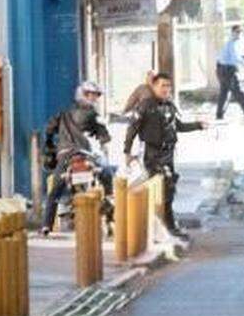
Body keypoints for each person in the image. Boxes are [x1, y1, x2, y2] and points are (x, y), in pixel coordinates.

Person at [124, 73, 206, 238]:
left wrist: (198, 125)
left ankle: (166, 226)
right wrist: (127, 152)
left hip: (168, 153)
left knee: (169, 189)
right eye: (162, 86)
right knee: (160, 189)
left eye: (168, 86)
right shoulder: (145, 105)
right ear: (154, 87)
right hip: (152, 153)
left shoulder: (169, 106)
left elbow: (178, 126)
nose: (166, 89)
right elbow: (132, 128)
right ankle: (162, 227)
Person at [41, 81, 113, 236]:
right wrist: (103, 141)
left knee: (54, 191)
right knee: (107, 173)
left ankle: (46, 224)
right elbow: (104, 135)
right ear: (83, 95)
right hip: (85, 154)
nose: (93, 99)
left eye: (95, 96)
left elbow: (48, 130)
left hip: (65, 156)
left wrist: (49, 146)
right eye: (91, 95)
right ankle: (111, 214)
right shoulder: (93, 114)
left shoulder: (63, 114)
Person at [216, 25, 244, 121]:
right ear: (232, 32)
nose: (239, 34)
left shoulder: (230, 43)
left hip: (222, 69)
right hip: (228, 70)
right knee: (239, 92)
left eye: (240, 32)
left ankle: (219, 114)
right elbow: (236, 58)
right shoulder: (231, 44)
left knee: (224, 92)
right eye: (237, 32)